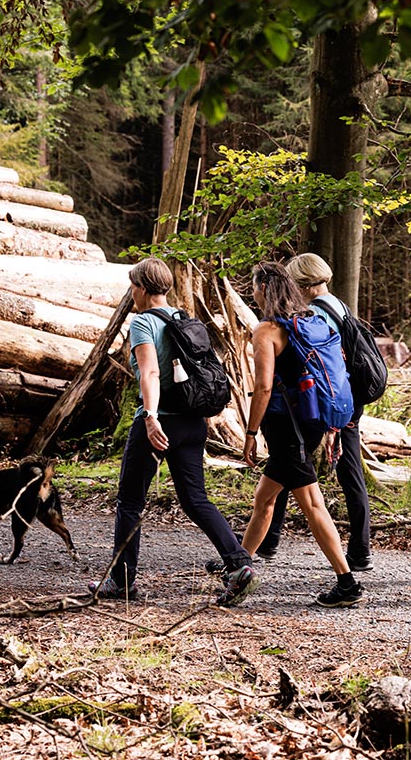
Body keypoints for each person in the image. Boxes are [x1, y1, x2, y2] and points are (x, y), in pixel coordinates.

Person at [90, 258, 260, 606]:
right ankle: (239, 564)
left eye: (133, 286)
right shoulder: (185, 318)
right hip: (192, 423)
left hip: (160, 422)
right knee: (196, 499)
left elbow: (149, 373)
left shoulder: (143, 323)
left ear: (141, 288)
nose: (132, 293)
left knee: (130, 502)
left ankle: (122, 582)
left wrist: (150, 417)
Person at [235, 262, 365, 608]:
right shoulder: (310, 321)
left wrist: (250, 432)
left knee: (311, 504)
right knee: (265, 498)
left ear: (264, 288)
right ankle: (238, 565)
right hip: (310, 422)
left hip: (284, 426)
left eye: (255, 286)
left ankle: (347, 582)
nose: (253, 292)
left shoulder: (266, 331)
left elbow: (263, 388)